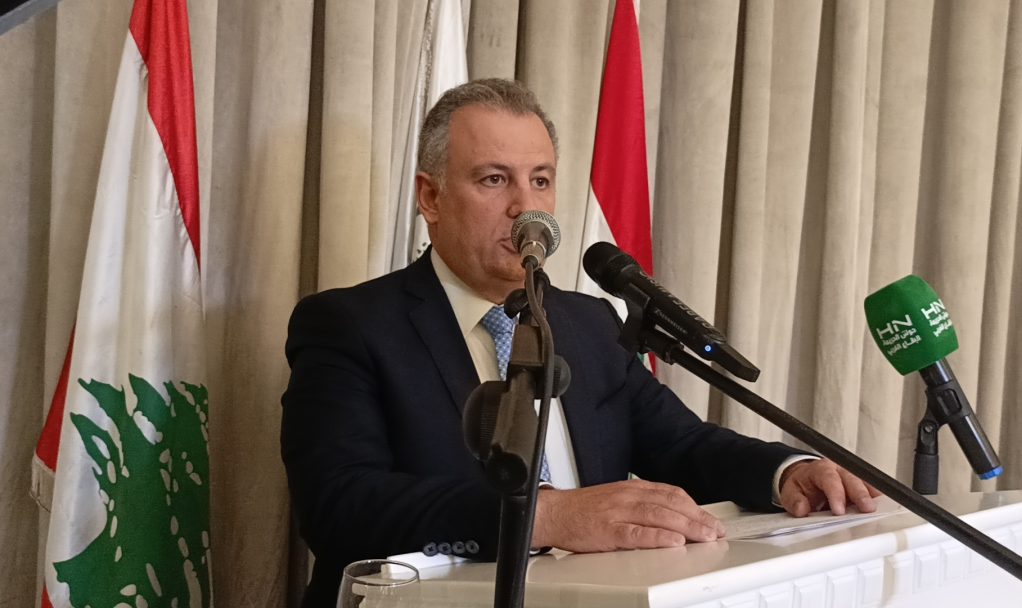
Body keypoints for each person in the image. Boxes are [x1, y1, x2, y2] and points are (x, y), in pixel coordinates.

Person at [281, 78, 879, 607]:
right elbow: (340, 507)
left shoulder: (590, 322)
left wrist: (785, 473)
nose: (526, 208)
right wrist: (547, 516)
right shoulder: (349, 325)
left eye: (540, 181)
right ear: (431, 197)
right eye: (494, 179)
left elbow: (682, 445)